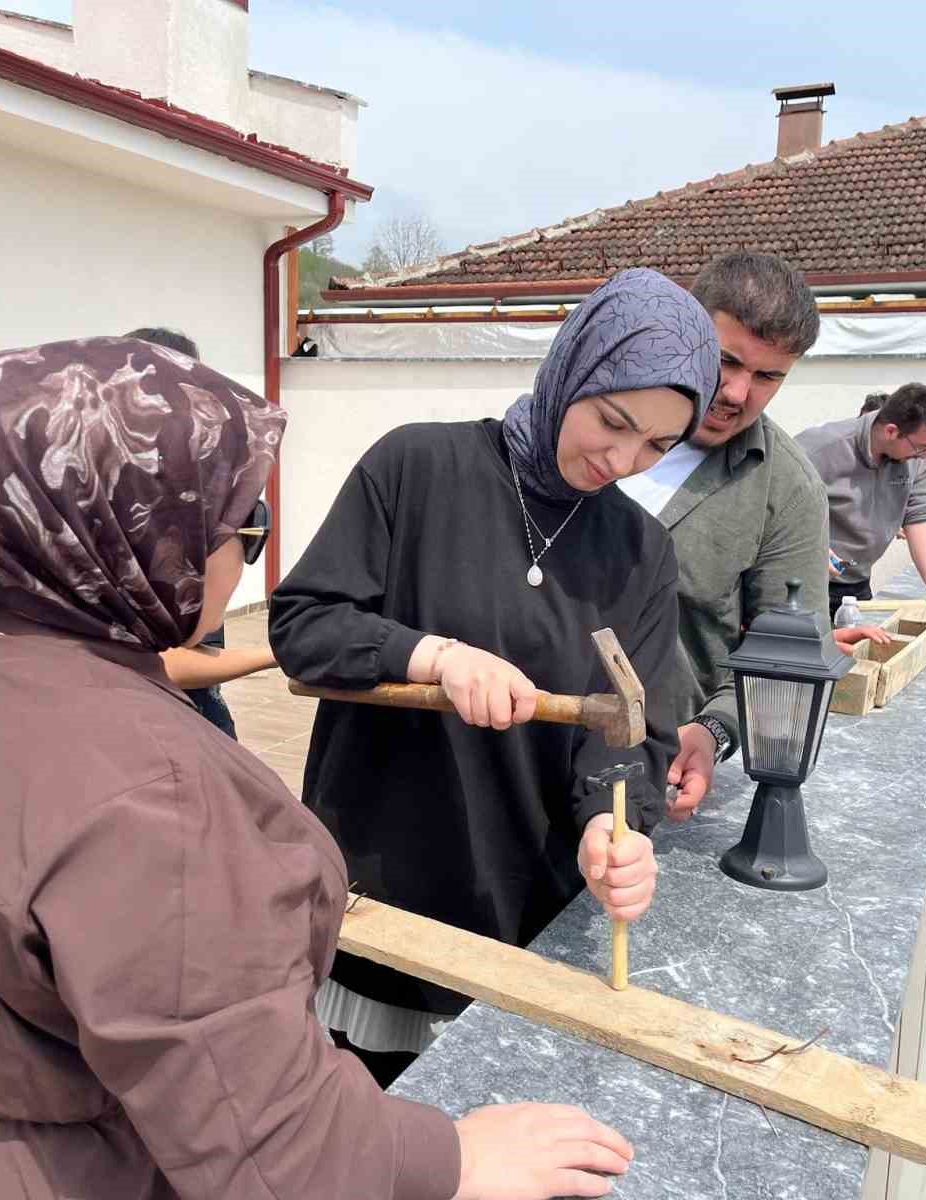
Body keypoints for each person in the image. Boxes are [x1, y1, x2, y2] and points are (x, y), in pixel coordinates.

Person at [0, 337, 635, 1200]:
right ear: (130, 531)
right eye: (243, 526)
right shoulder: (153, 791)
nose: (250, 551)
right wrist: (456, 1159)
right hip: (72, 1172)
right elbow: (262, 1140)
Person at [269, 269, 715, 1087]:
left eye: (657, 446)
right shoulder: (416, 468)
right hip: (380, 884)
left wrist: (611, 825)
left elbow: (635, 729)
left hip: (525, 900)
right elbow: (304, 625)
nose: (621, 460)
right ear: (571, 369)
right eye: (612, 421)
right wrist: (434, 655)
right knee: (357, 1122)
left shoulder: (640, 551)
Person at [615, 251, 886, 826]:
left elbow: (785, 665)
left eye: (768, 377)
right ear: (686, 330)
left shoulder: (788, 491)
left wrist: (712, 733)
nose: (738, 393)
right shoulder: (597, 416)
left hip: (635, 776)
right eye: (726, 361)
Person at [124, 325, 274, 738]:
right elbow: (154, 663)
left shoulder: (196, 478)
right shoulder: (123, 501)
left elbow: (195, 649)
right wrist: (274, 654)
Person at [797, 382, 926, 618]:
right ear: (891, 431)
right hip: (801, 585)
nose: (924, 455)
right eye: (921, 447)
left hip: (856, 586)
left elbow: (919, 516)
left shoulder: (915, 459)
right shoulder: (819, 448)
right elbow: (771, 506)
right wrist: (807, 544)